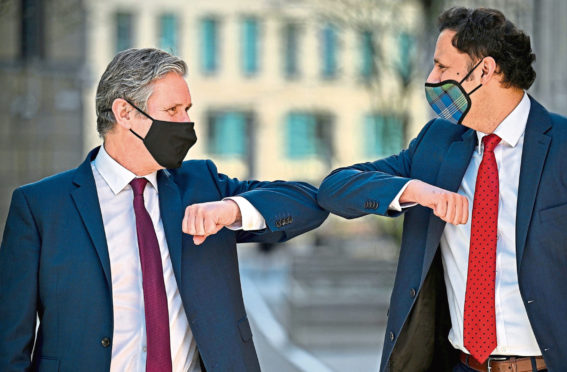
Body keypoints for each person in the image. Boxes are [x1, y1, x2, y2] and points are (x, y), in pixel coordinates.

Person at [318, 7, 567, 372]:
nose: (432, 78)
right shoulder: (436, 144)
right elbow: (335, 188)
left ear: (486, 70)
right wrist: (417, 191)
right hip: (462, 365)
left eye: (442, 67)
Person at [0, 48, 328, 371]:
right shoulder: (40, 206)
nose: (187, 123)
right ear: (124, 113)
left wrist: (231, 209)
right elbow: (9, 346)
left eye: (187, 109)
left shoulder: (203, 186)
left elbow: (309, 202)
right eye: (173, 110)